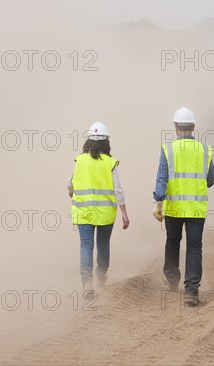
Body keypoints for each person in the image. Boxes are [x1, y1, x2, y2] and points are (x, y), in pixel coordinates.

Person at [152, 107, 214, 306]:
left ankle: (172, 280)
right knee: (194, 247)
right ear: (194, 127)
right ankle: (191, 292)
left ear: (176, 127)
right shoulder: (205, 150)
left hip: (174, 208)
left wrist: (158, 201)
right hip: (196, 208)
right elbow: (211, 179)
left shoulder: (168, 149)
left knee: (172, 242)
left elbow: (162, 178)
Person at [68, 122, 130, 298]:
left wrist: (71, 192)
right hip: (105, 214)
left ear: (88, 140)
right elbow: (118, 190)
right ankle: (101, 276)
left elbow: (69, 182)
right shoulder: (110, 162)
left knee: (86, 246)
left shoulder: (79, 160)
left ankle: (87, 282)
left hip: (83, 212)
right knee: (103, 245)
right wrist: (124, 213)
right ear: (106, 142)